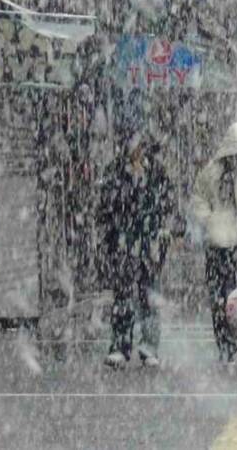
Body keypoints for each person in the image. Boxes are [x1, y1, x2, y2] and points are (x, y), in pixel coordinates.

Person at [98, 130, 177, 368]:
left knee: (149, 294)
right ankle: (121, 346)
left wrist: (161, 226)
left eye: (141, 146)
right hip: (124, 242)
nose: (137, 151)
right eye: (133, 146)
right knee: (123, 295)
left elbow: (167, 202)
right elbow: (105, 207)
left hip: (149, 243)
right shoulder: (114, 171)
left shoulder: (156, 171)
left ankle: (149, 346)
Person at [191, 121, 237, 370]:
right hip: (219, 244)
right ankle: (226, 346)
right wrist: (209, 220)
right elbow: (199, 198)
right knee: (221, 299)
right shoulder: (212, 173)